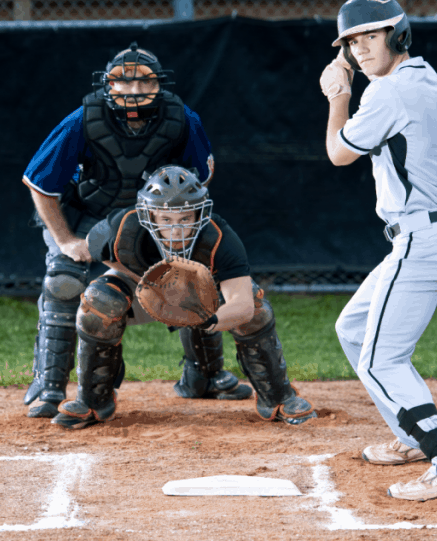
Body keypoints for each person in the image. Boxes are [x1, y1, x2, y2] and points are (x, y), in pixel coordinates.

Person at [21, 43, 250, 420]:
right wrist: (65, 240)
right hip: (88, 217)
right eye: (121, 83)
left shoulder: (181, 117)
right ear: (107, 86)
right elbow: (40, 184)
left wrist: (176, 229)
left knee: (191, 278)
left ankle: (205, 376)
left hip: (152, 219)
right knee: (64, 283)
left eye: (143, 83)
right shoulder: (82, 119)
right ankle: (49, 386)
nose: (132, 92)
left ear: (159, 85)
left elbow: (199, 180)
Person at [319, 0, 437, 501]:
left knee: (379, 361)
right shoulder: (423, 76)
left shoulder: (388, 95)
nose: (362, 48)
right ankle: (413, 436)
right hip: (433, 235)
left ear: (398, 35)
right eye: (353, 41)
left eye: (372, 36)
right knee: (352, 328)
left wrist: (336, 96)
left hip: (425, 238)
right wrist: (356, 75)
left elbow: (339, 153)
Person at [51, 165, 316, 430]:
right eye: (166, 220)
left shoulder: (219, 237)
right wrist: (148, 281)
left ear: (199, 213)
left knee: (257, 306)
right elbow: (95, 249)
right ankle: (93, 401)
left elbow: (243, 306)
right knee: (99, 301)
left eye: (185, 218)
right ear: (149, 214)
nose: (176, 229)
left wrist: (207, 319)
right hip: (141, 286)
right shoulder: (122, 226)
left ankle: (278, 398)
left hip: (200, 296)